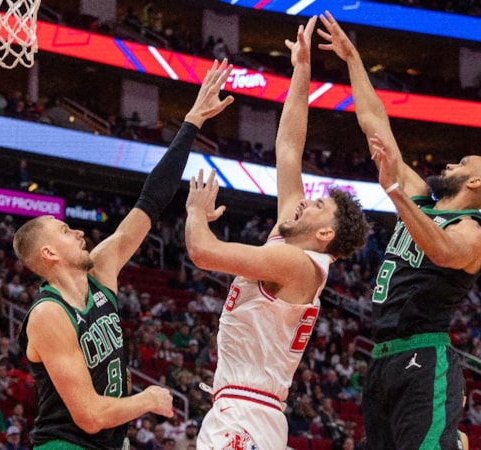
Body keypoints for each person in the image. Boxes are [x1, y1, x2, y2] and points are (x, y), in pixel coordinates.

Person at [13, 59, 234, 450]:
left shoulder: (101, 270)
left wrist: (192, 123)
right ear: (48, 253)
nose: (79, 232)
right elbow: (89, 415)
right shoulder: (48, 314)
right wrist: (147, 400)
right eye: (66, 231)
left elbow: (150, 202)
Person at [317, 11, 481, 450]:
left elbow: (441, 251)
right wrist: (352, 60)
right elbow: (375, 125)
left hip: (426, 354)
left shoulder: (472, 230)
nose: (450, 165)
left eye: (461, 165)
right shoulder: (423, 198)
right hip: (383, 355)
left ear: (474, 183)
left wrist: (397, 195)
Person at [185, 18, 369, 449]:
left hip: (246, 414)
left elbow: (202, 253)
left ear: (324, 232)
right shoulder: (291, 244)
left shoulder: (293, 263)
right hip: (251, 410)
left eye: (317, 205)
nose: (306, 200)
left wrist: (196, 212)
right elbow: (288, 149)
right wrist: (301, 71)